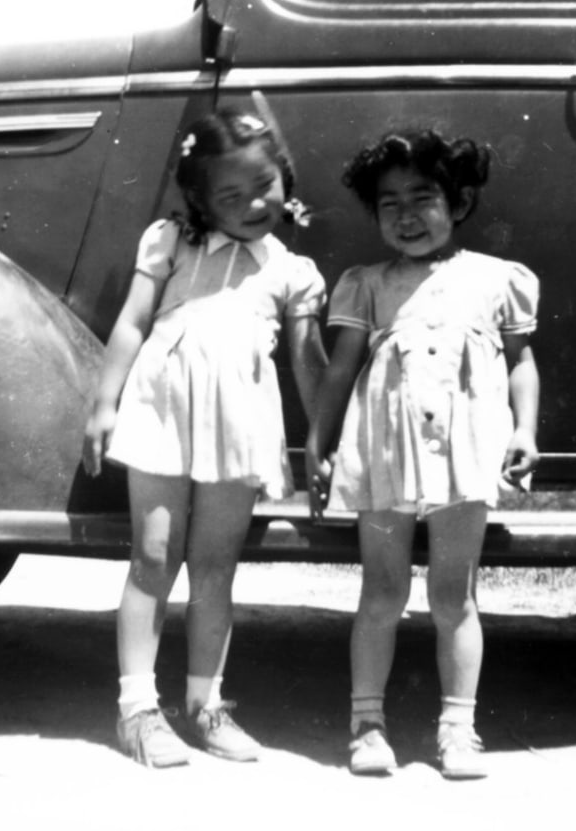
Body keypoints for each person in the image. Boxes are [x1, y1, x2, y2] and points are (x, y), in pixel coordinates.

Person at [83, 106, 327, 768]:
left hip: (239, 424)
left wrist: (326, 440)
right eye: (230, 194)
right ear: (198, 196)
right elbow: (133, 324)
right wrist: (104, 405)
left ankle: (205, 706)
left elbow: (308, 363)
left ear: (286, 178)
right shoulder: (170, 241)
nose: (253, 202)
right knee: (155, 556)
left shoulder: (289, 268)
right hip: (163, 413)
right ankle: (138, 710)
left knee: (215, 567)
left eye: (265, 185)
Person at [306, 128, 539, 779]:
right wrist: (319, 444)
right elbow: (340, 370)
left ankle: (458, 730)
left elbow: (522, 364)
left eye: (423, 197)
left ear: (458, 201)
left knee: (452, 596)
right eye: (389, 204)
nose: (406, 216)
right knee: (381, 592)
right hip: (384, 453)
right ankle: (367, 723)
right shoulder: (366, 283)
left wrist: (525, 431)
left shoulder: (498, 280)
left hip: (464, 455)